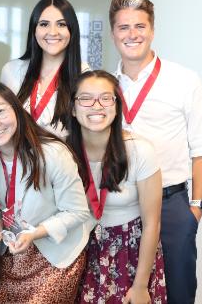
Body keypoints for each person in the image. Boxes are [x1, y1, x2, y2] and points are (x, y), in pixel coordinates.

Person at [109, 0, 202, 303]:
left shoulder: (184, 79)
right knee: (123, 290)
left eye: (139, 26)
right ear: (114, 32)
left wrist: (195, 209)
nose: (132, 35)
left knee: (178, 291)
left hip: (171, 204)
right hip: (119, 205)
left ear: (152, 30)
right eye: (123, 27)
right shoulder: (104, 84)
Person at [0, 82, 93, 303]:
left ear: (17, 110)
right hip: (12, 256)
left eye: (0, 111)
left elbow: (78, 212)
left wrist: (34, 233)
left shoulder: (52, 154)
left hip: (56, 257)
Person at [64, 70, 167, 303]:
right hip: (80, 250)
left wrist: (141, 285)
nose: (96, 106)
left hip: (130, 251)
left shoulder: (140, 150)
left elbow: (152, 223)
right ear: (73, 107)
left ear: (117, 105)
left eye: (106, 98)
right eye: (86, 98)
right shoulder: (62, 152)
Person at [0, 0, 87, 137]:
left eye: (61, 24)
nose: (52, 32)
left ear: (72, 30)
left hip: (64, 158)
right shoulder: (11, 70)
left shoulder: (84, 75)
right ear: (34, 30)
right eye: (44, 24)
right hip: (19, 158)